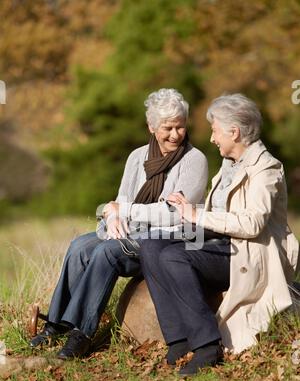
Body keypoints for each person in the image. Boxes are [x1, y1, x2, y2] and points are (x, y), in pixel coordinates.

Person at [29, 88, 208, 359]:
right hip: (132, 231)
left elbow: (174, 214)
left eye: (180, 127)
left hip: (164, 239)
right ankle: (56, 324)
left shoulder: (195, 160)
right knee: (80, 245)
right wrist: (112, 218)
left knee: (107, 252)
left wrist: (125, 210)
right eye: (167, 128)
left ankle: (82, 334)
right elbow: (119, 201)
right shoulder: (137, 157)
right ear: (151, 127)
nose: (175, 135)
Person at [140, 93, 299, 376]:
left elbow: (252, 224)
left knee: (176, 257)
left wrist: (196, 215)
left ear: (233, 132)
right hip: (223, 243)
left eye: (215, 130)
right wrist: (188, 210)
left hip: (251, 253)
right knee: (152, 244)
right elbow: (220, 214)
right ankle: (177, 339)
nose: (212, 138)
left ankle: (207, 345)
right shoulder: (229, 166)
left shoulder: (266, 169)